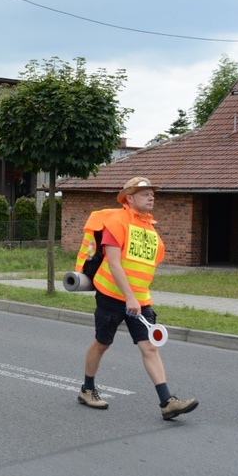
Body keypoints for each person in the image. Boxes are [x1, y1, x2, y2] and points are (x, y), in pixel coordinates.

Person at [77, 177, 198, 420]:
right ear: (129, 198)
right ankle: (87, 389)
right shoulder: (116, 223)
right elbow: (113, 264)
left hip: (140, 300)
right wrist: (129, 297)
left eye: (152, 193)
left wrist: (137, 297)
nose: (151, 197)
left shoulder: (150, 229)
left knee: (150, 347)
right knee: (102, 343)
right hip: (112, 295)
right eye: (144, 194)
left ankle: (167, 402)